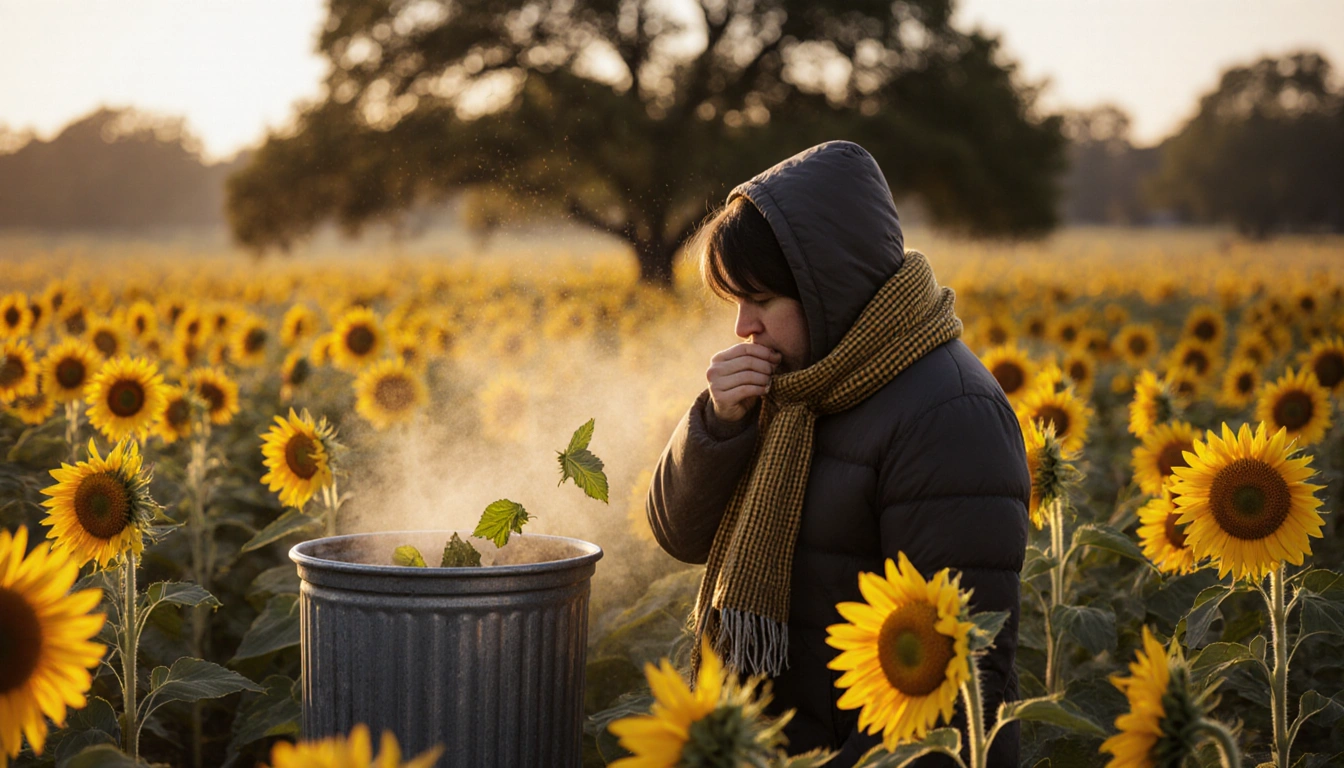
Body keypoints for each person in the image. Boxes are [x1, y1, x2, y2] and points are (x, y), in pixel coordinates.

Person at [645, 140, 1029, 767]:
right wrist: (717, 426)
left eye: (761, 299)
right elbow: (680, 534)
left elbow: (948, 684)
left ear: (829, 287)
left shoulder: (949, 416)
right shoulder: (797, 388)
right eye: (735, 302)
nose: (743, 326)